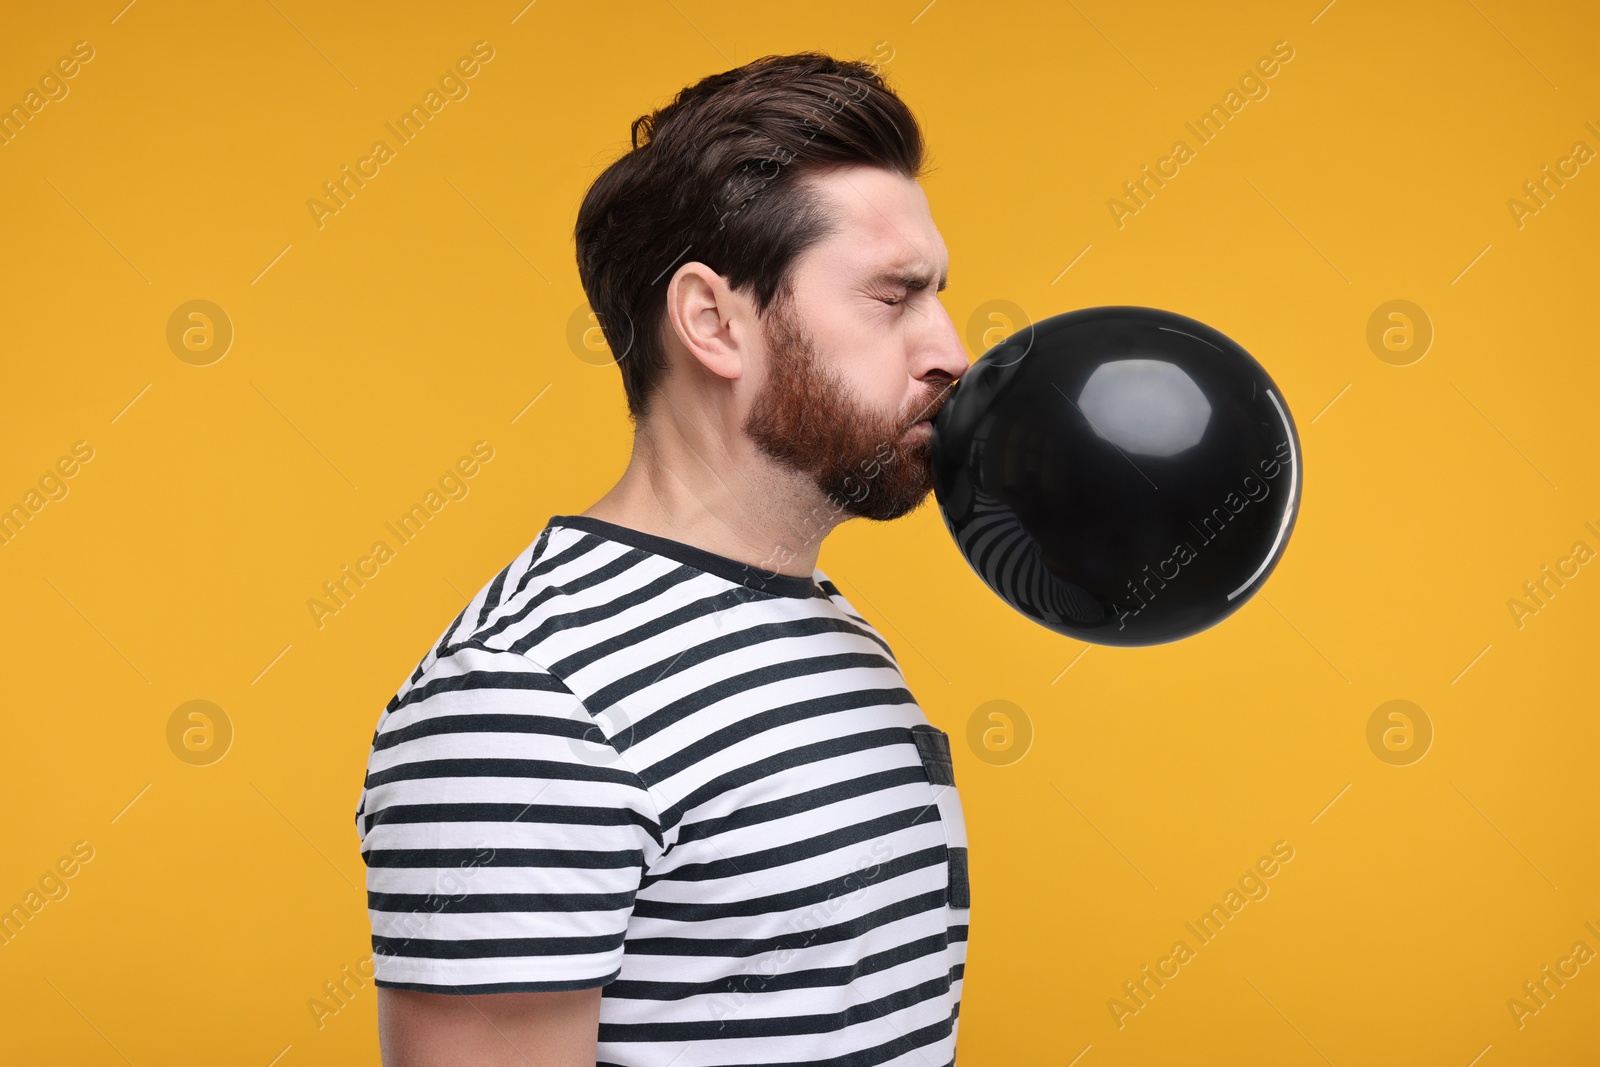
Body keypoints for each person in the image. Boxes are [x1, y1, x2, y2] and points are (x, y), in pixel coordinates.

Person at [355, 50, 972, 1066]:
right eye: (893, 297)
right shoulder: (529, 699)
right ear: (712, 320)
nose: (950, 346)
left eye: (938, 294)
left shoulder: (829, 625)